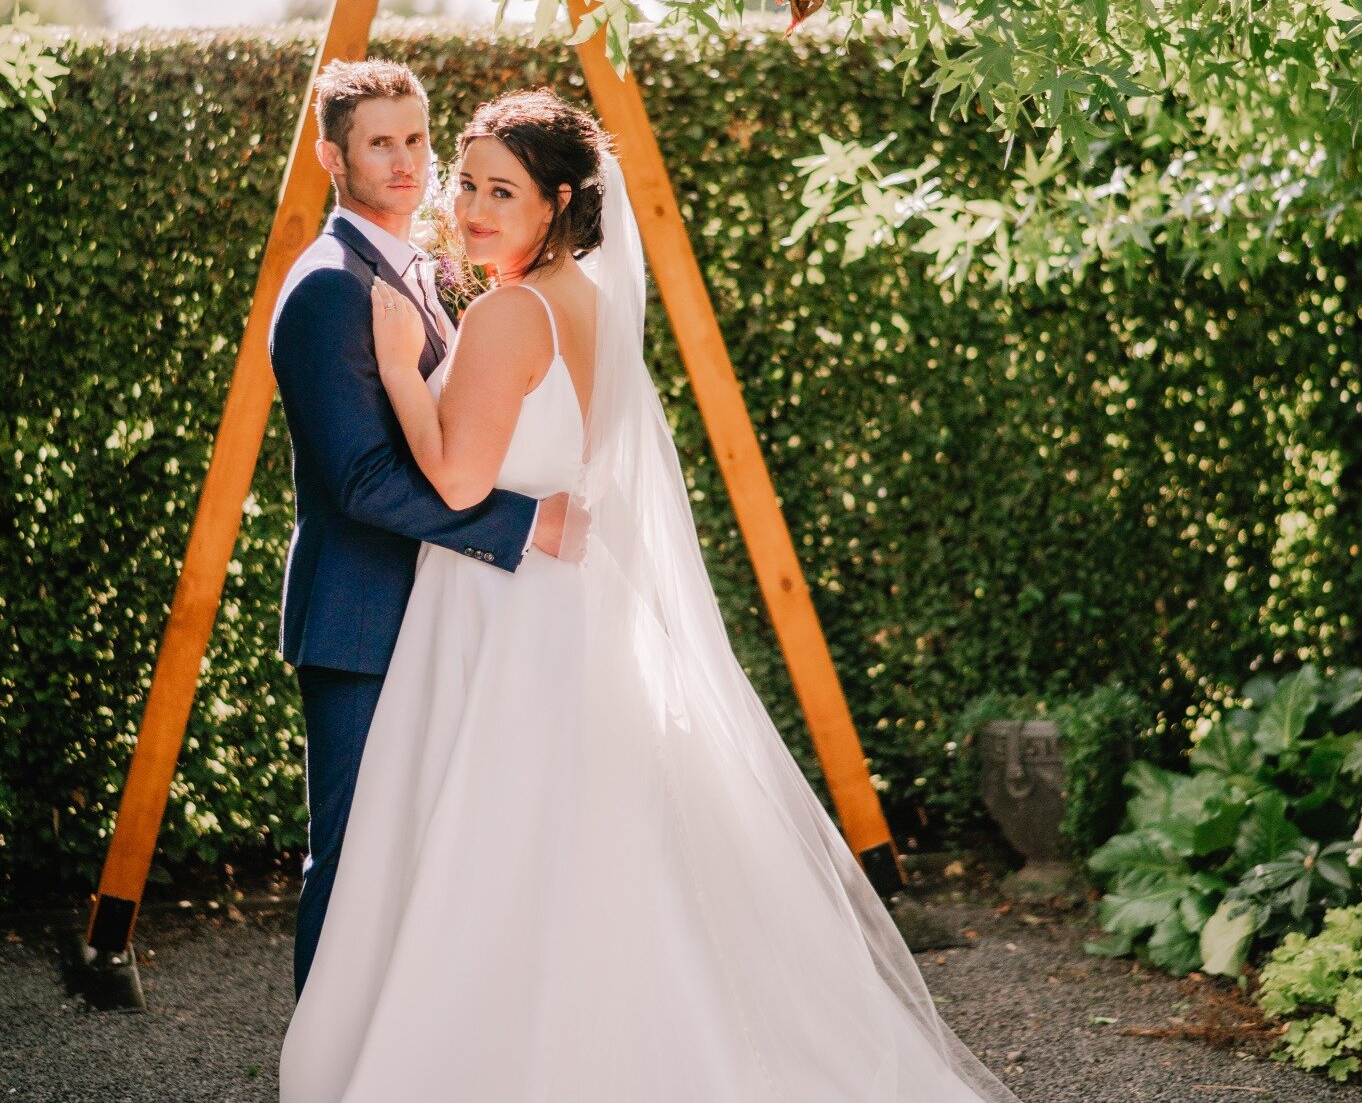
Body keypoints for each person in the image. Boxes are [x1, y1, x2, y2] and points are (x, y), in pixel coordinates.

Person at [279, 85, 1016, 1102]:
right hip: (561, 606)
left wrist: (406, 371)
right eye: (469, 184)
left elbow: (453, 480)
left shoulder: (503, 312)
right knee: (575, 857)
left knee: (490, 856)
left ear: (559, 202)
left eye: (502, 191)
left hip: (502, 619)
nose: (472, 207)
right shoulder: (594, 299)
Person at [268, 60, 581, 999]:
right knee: (354, 860)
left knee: (423, 864)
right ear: (332, 156)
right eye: (379, 144)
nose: (406, 162)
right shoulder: (329, 285)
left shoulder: (426, 273)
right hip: (362, 623)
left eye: (415, 139)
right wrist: (525, 525)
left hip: (436, 617)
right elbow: (363, 480)